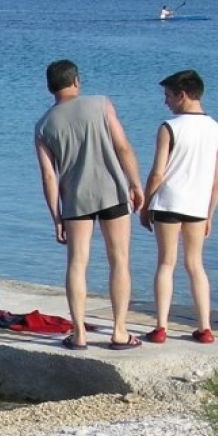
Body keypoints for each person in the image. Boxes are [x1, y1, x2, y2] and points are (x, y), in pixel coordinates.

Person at [34, 60, 146, 350]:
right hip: (112, 191)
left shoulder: (44, 125)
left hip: (75, 199)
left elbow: (49, 175)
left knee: (77, 263)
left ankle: (79, 332)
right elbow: (122, 146)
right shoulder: (101, 104)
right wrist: (135, 183)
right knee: (119, 259)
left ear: (50, 87)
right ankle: (119, 332)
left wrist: (55, 216)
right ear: (76, 81)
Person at [138, 69, 218, 344]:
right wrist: (210, 214)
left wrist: (145, 205)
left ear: (183, 94)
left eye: (168, 95)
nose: (165, 101)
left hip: (169, 201)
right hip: (198, 205)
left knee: (166, 263)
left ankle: (161, 326)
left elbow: (157, 173)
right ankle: (205, 327)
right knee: (195, 264)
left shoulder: (169, 127)